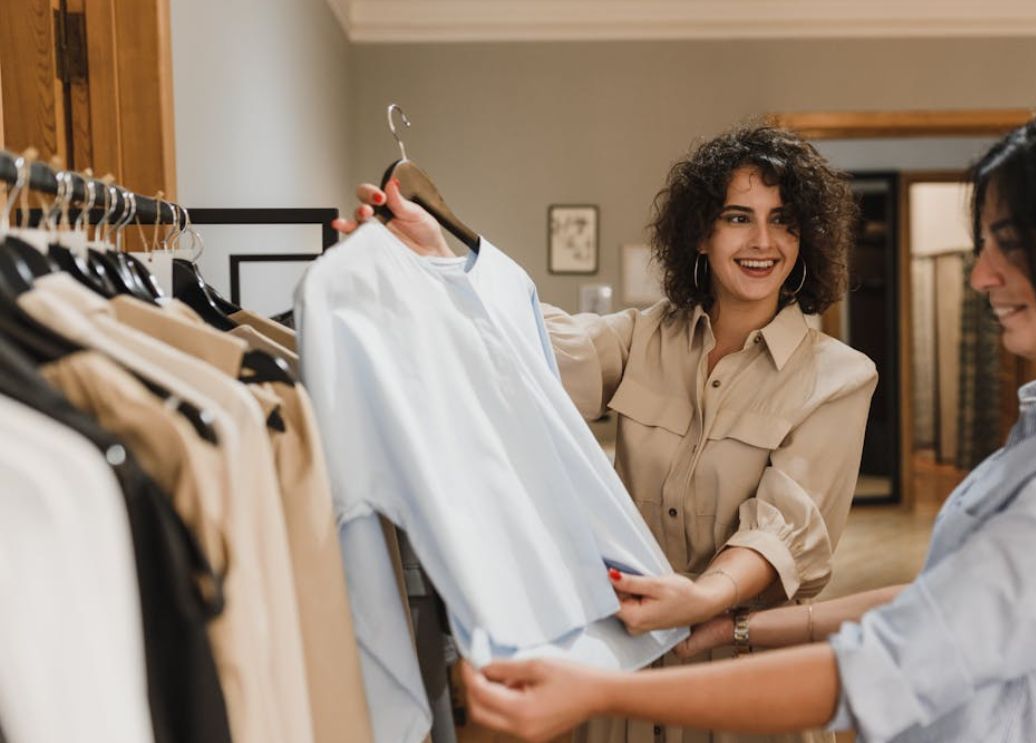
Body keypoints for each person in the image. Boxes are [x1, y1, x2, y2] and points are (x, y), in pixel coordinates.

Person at [459, 95, 1036, 743]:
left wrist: (603, 678)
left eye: (1008, 244)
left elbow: (886, 663)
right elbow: (946, 600)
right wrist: (449, 264)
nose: (979, 274)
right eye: (737, 217)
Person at [333, 125, 878, 742]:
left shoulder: (838, 377)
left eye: (783, 221)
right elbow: (526, 347)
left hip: (744, 690)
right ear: (701, 232)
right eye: (737, 217)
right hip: (627, 674)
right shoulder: (643, 338)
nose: (762, 242)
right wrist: (434, 263)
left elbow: (783, 530)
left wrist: (702, 600)